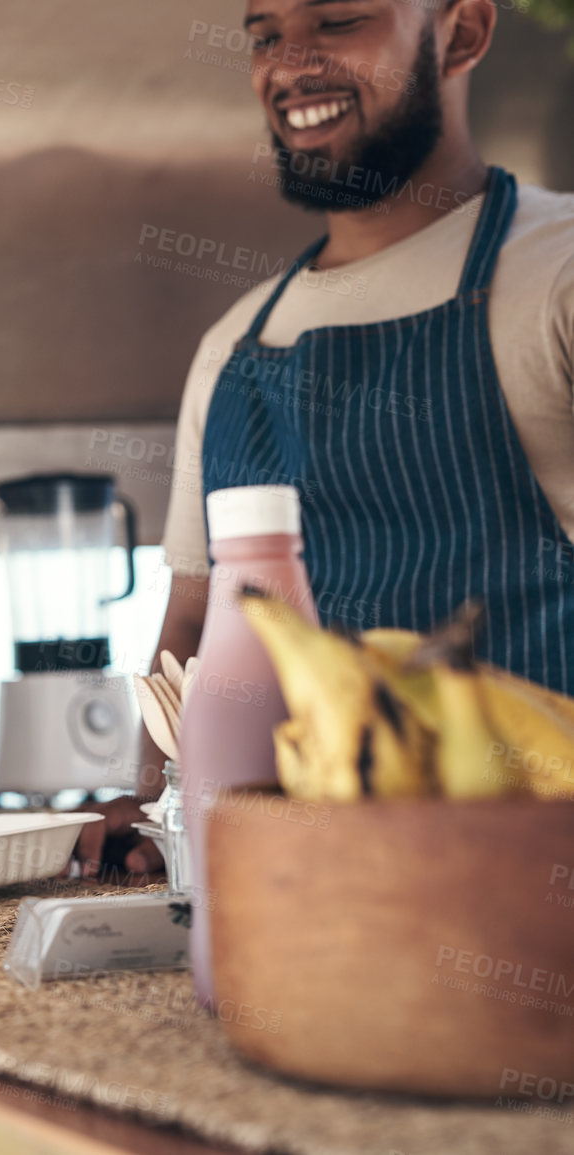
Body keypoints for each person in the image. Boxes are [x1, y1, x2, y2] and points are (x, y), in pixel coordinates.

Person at [76, 0, 574, 875]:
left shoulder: (557, 276)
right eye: (265, 36)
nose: (289, 64)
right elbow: (192, 622)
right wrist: (140, 799)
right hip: (295, 899)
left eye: (338, 20)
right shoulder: (231, 346)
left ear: (460, 34)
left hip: (527, 883)